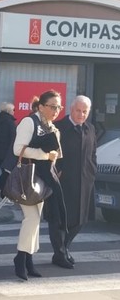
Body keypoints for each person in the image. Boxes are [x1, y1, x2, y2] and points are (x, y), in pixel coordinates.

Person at [11, 90, 66, 280]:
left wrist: (53, 160)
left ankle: (27, 260)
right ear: (41, 107)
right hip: (27, 177)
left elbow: (56, 156)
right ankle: (20, 258)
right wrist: (45, 155)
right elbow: (17, 149)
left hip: (43, 179)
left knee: (36, 220)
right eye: (52, 106)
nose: (56, 110)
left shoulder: (53, 128)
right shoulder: (29, 122)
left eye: (59, 107)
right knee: (32, 219)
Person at [52, 95, 97, 268]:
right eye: (78, 110)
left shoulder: (90, 128)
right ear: (71, 109)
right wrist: (56, 172)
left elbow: (93, 153)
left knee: (80, 219)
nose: (81, 114)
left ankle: (65, 248)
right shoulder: (59, 127)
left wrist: (92, 171)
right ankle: (60, 254)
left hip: (84, 181)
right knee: (60, 219)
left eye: (85, 111)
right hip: (63, 181)